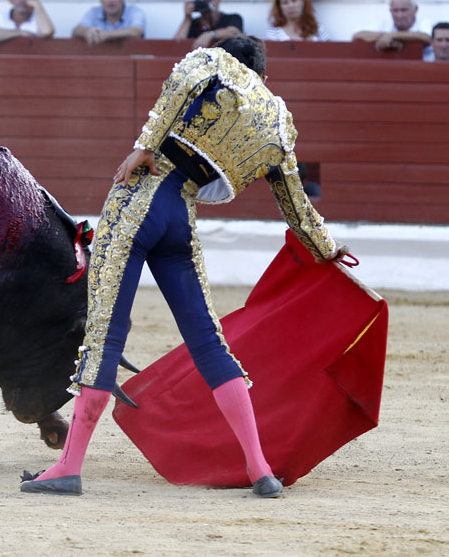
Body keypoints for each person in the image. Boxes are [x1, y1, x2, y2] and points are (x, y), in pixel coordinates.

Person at [19, 35, 345, 499]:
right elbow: (298, 210)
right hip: (181, 220)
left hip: (140, 201)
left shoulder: (214, 62)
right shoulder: (276, 122)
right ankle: (260, 468)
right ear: (264, 76)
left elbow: (182, 78)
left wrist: (144, 146)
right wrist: (327, 248)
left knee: (105, 335)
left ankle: (69, 466)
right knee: (210, 342)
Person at [352, 0, 431, 56]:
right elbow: (357, 35)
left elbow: (427, 38)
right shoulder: (384, 25)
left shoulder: (425, 24)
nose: (399, 15)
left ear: (415, 9)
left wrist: (392, 36)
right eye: (395, 11)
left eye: (404, 10)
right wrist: (384, 36)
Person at [72, 0, 146, 45]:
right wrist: (87, 32)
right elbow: (76, 30)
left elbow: (137, 31)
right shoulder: (94, 12)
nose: (110, 0)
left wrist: (107, 34)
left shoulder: (134, 12)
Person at [173, 0, 244, 49]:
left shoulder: (232, 18)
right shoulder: (193, 24)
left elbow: (235, 33)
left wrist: (210, 35)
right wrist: (187, 17)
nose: (206, 4)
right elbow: (177, 45)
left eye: (209, 0)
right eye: (201, 1)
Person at [265, 0, 330, 41]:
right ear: (279, 6)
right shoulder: (274, 31)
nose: (290, 5)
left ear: (303, 2)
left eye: (294, 0)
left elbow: (330, 51)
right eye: (285, 2)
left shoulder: (318, 29)